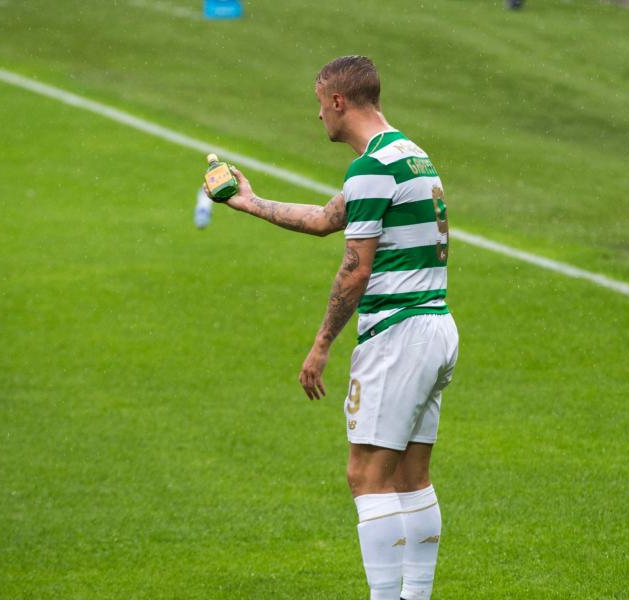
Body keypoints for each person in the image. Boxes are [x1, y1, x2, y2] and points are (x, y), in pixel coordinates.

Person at [211, 55, 458, 600]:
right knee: (411, 477)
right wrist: (246, 202)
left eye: (319, 102)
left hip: (397, 332)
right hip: (435, 325)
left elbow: (356, 268)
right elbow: (327, 219)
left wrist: (321, 344)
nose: (317, 114)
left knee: (366, 477)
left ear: (339, 101)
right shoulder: (409, 155)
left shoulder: (371, 167)